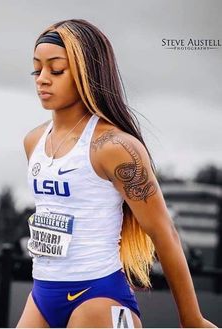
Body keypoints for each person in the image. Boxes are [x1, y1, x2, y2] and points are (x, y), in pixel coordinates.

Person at [17, 19, 217, 328]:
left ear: (87, 73)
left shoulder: (114, 146)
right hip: (42, 294)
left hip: (97, 297)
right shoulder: (33, 142)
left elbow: (164, 232)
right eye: (36, 69)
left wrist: (192, 319)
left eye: (56, 70)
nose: (42, 79)